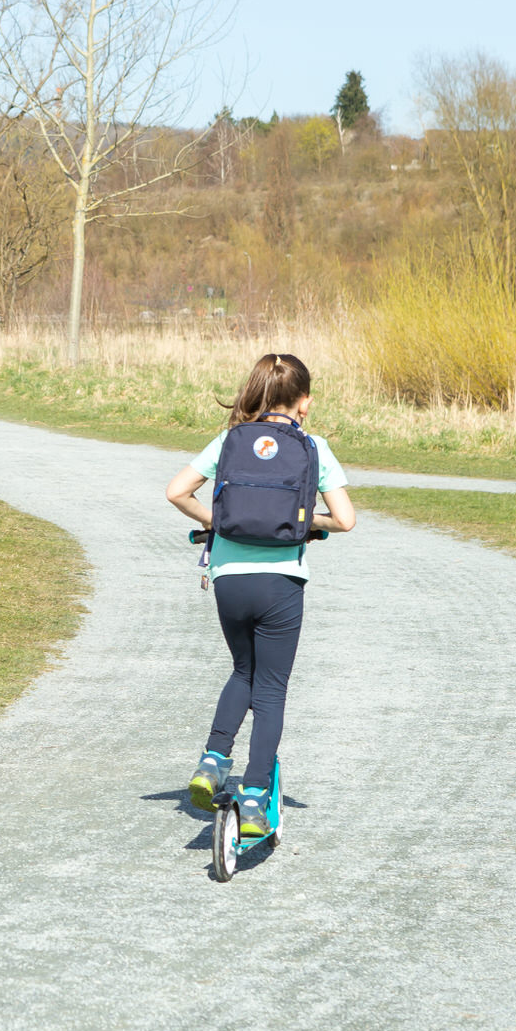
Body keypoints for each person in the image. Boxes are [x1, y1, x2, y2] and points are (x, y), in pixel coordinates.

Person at [165, 353, 355, 837]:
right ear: (304, 403)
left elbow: (176, 492)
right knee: (271, 687)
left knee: (242, 671)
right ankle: (252, 796)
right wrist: (302, 522)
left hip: (229, 579)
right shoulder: (314, 446)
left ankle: (213, 759)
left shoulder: (229, 440)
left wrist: (219, 522)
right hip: (282, 583)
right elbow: (345, 520)